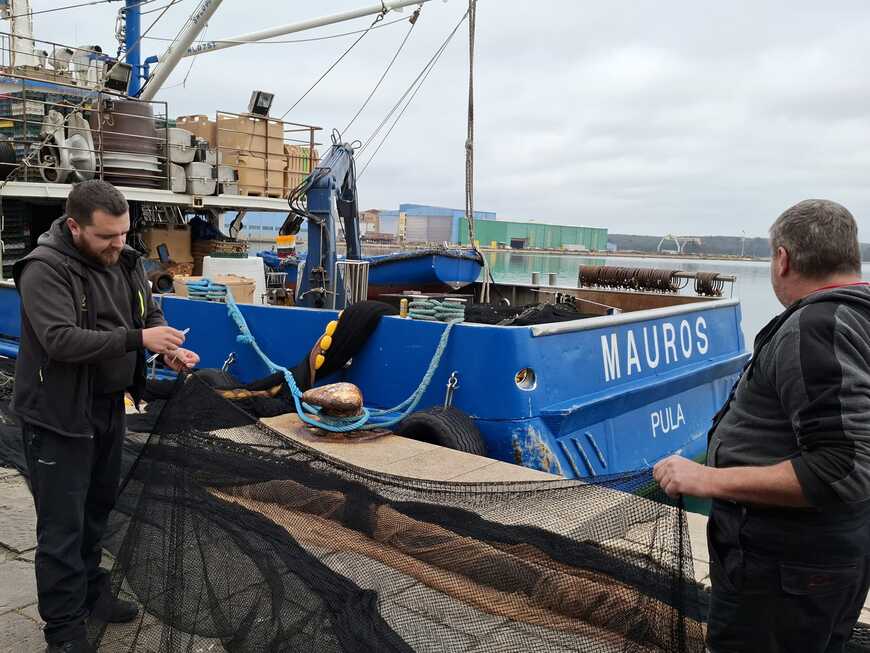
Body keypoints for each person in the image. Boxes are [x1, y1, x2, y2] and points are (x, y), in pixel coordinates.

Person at [653, 199, 870, 653]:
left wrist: (705, 477)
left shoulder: (816, 327)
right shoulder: (857, 314)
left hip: (785, 573)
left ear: (783, 258)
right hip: (831, 558)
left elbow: (841, 468)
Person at [11, 180, 199, 653]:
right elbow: (60, 340)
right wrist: (139, 342)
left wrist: (166, 347)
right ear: (74, 226)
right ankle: (65, 632)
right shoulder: (43, 269)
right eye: (106, 237)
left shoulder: (127, 260)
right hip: (57, 416)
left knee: (96, 510)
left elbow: (148, 314)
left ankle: (92, 593)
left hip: (108, 408)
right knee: (61, 529)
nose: (119, 244)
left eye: (123, 233)